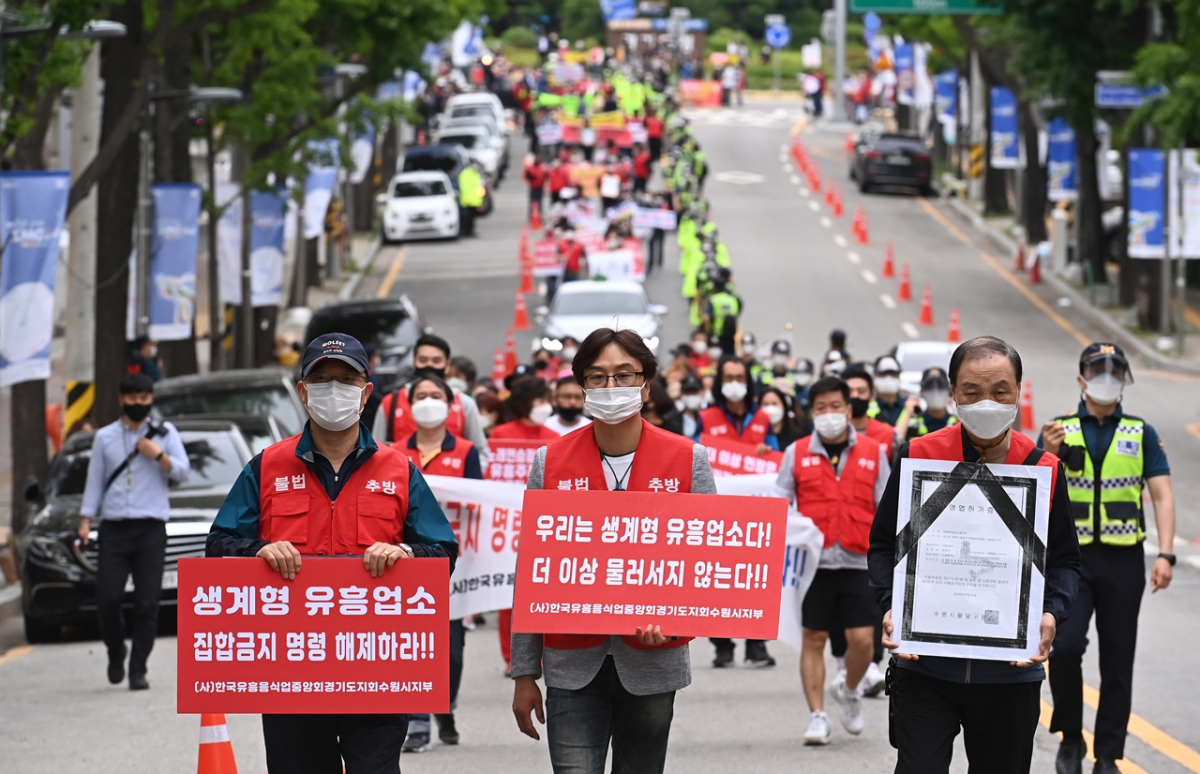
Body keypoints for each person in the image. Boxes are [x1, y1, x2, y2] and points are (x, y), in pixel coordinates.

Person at [206, 333, 458, 774]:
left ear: (365, 393)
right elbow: (219, 545)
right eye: (321, 379)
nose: (333, 389)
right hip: (291, 669)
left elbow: (443, 551)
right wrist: (260, 550)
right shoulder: (267, 466)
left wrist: (405, 553)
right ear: (303, 391)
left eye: (346, 379)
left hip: (378, 667)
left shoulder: (399, 469)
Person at [868, 337, 1081, 774]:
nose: (987, 402)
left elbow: (1064, 562)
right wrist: (891, 606)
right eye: (972, 391)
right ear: (952, 393)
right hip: (925, 670)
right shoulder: (918, 455)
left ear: (1019, 392)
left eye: (1000, 391)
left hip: (1009, 675)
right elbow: (883, 547)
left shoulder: (1043, 468)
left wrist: (1050, 614)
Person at [511, 327, 718, 774]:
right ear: (581, 385)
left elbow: (705, 565)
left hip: (652, 661)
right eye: (598, 377)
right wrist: (524, 672)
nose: (611, 388)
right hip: (571, 661)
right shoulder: (550, 462)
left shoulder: (688, 459)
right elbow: (530, 571)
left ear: (646, 383)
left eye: (624, 375)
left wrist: (674, 623)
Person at [1039, 343, 1175, 774]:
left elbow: (1162, 494)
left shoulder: (1142, 432)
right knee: (1064, 648)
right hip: (1071, 561)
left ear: (1124, 380)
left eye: (1115, 373)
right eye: (1098, 372)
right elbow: (1037, 493)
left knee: (1118, 658)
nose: (1107, 379)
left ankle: (1109, 755)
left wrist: (1166, 554)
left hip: (1122, 560)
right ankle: (1071, 738)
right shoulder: (1058, 431)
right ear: (1081, 380)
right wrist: (1048, 452)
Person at [772, 376, 888, 745]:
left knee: (863, 642)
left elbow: (887, 508)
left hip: (858, 561)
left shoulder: (873, 452)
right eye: (820, 408)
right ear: (811, 413)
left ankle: (850, 691)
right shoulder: (796, 452)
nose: (829, 414)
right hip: (812, 565)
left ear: (849, 409)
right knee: (813, 638)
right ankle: (817, 716)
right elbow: (779, 504)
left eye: (835, 406)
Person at [78, 373, 190, 690]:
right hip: (113, 528)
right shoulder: (105, 437)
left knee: (147, 602)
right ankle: (116, 650)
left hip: (151, 528)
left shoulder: (165, 433)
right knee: (108, 599)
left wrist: (158, 455)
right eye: (132, 399)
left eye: (144, 398)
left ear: (151, 399)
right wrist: (86, 520)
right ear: (121, 400)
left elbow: (183, 472)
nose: (138, 404)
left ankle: (138, 667)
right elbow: (95, 481)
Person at [394, 373, 479, 752]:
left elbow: (480, 503)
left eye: (436, 395)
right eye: (421, 395)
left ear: (450, 404)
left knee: (452, 653)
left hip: (453, 566)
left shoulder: (465, 450)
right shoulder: (392, 452)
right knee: (411, 647)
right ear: (409, 407)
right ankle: (417, 721)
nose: (429, 401)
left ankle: (443, 706)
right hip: (405, 565)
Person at [373, 334, 490, 466]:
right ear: (414, 362)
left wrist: (466, 479)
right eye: (423, 360)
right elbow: (376, 451)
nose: (429, 365)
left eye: (436, 361)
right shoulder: (391, 403)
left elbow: (481, 452)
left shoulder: (464, 404)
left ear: (447, 365)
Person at [698, 355, 776, 451]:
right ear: (720, 381)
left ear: (747, 381)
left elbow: (776, 454)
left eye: (740, 378)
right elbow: (694, 457)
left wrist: (767, 452)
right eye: (729, 377)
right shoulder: (705, 418)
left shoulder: (763, 417)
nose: (735, 383)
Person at [843, 366, 896, 460]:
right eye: (849, 391)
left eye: (861, 391)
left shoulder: (889, 435)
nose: (855, 395)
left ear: (871, 395)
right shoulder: (831, 434)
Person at [900, 367, 959, 439]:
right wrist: (907, 414)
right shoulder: (911, 424)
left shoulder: (957, 422)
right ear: (921, 392)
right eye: (930, 387)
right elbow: (896, 443)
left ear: (949, 392)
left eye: (940, 387)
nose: (935, 392)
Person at [760, 386, 810, 454]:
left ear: (784, 406)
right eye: (766, 404)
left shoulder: (798, 433)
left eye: (775, 404)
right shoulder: (755, 434)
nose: (770, 408)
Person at [704, 272, 740, 356]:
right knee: (729, 354)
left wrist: (707, 332)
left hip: (717, 333)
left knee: (716, 356)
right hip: (730, 332)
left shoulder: (713, 299)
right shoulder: (732, 299)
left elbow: (706, 318)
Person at [663, 374, 706, 441]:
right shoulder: (672, 420)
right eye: (688, 393)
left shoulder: (712, 416)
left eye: (694, 392)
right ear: (681, 394)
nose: (691, 396)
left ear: (702, 392)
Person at [868, 356, 905, 425]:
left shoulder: (909, 406)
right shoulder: (866, 406)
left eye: (893, 374)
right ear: (874, 378)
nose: (888, 378)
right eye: (883, 374)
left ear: (899, 377)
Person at [458, 162, 483, 236]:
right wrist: (480, 202)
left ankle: (466, 232)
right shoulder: (476, 175)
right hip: (472, 200)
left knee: (467, 218)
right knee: (470, 218)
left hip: (466, 200)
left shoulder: (463, 174)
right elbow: (479, 188)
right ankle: (468, 232)